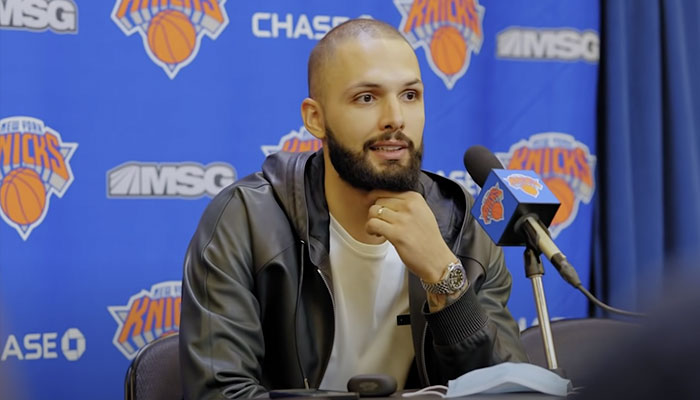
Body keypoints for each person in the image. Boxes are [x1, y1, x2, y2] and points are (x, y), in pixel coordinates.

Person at [179, 18, 526, 399]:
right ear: (315, 118)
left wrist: (445, 278)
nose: (395, 117)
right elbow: (218, 393)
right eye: (367, 97)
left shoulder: (466, 227)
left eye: (410, 95)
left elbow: (505, 391)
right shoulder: (245, 221)